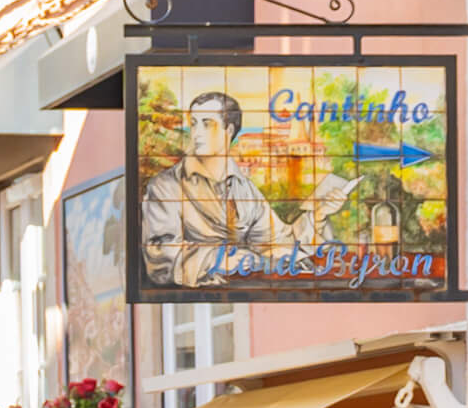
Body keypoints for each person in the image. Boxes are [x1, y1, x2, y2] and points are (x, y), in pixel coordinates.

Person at [140, 89, 359, 289]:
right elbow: (160, 254)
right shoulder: (165, 186)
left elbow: (276, 240)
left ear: (229, 130)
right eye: (194, 123)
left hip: (240, 289)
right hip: (206, 295)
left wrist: (318, 215)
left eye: (207, 124)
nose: (196, 132)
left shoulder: (244, 188)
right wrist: (220, 259)